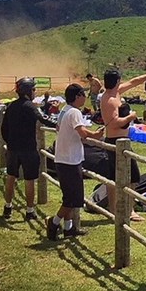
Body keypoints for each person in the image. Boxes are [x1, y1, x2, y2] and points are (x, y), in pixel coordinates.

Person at [100, 67, 146, 219]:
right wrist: (131, 116)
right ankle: (123, 210)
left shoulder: (115, 93)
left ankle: (121, 208)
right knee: (130, 176)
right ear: (117, 81)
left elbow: (134, 82)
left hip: (122, 140)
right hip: (115, 141)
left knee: (120, 177)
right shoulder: (109, 100)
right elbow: (114, 123)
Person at [46, 83, 98, 240]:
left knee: (68, 196)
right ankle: (54, 223)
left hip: (62, 158)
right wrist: (96, 135)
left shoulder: (64, 110)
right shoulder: (75, 112)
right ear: (77, 96)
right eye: (83, 95)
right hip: (70, 161)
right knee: (72, 198)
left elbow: (58, 128)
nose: (85, 98)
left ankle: (68, 228)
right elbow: (82, 133)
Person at [0, 77, 42, 221]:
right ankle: (30, 210)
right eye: (33, 89)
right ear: (28, 91)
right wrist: (58, 124)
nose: (35, 92)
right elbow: (42, 118)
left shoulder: (11, 106)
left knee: (11, 177)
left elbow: (4, 128)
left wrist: (10, 142)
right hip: (28, 149)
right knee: (30, 180)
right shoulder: (30, 106)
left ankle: (7, 207)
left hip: (13, 148)